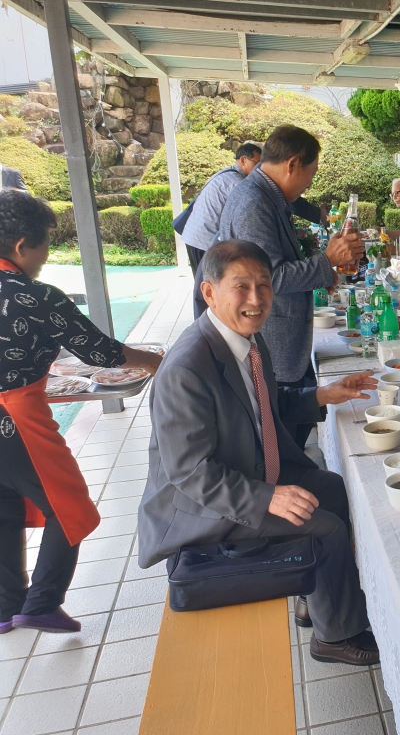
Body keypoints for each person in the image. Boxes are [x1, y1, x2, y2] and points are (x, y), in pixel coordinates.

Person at [138, 239, 380, 665]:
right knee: (323, 527)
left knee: (332, 487)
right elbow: (191, 473)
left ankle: (318, 595)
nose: (256, 299)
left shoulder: (244, 339)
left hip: (245, 472)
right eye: (241, 286)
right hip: (201, 508)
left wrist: (324, 394)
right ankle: (335, 636)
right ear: (209, 292)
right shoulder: (186, 369)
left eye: (264, 284)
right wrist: (270, 497)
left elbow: (264, 405)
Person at [0, 191, 162, 634]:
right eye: (44, 246)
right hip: (17, 421)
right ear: (21, 247)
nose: (45, 256)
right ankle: (41, 603)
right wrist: (153, 361)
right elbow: (102, 352)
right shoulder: (37, 296)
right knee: (68, 506)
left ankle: (5, 605)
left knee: (4, 510)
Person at [216, 125, 364, 450]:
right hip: (272, 348)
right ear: (293, 164)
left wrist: (323, 270)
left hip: (282, 349)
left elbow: (278, 259)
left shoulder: (267, 195)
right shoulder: (253, 202)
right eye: (311, 173)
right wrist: (326, 261)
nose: (311, 182)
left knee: (293, 434)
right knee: (280, 446)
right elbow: (271, 278)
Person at [181, 141, 263, 277]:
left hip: (195, 236)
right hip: (203, 240)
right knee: (210, 284)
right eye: (257, 164)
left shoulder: (224, 174)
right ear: (243, 160)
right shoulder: (237, 183)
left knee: (205, 283)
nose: (259, 169)